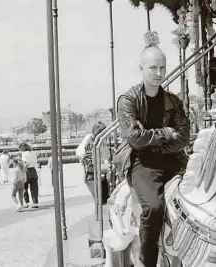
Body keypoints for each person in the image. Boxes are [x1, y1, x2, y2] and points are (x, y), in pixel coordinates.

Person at [116, 31, 189, 267]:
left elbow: (184, 137)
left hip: (173, 158)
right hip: (142, 163)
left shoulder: (173, 101)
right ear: (142, 68)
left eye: (162, 68)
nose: (159, 74)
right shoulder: (128, 101)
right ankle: (148, 261)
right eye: (153, 68)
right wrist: (166, 133)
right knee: (154, 207)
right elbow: (135, 139)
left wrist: (156, 138)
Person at [76, 121, 111, 204]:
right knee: (99, 201)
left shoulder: (101, 141)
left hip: (98, 168)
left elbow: (106, 155)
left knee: (104, 200)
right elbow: (83, 154)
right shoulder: (89, 139)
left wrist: (107, 163)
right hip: (91, 170)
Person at [20, 143, 39, 208]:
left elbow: (26, 163)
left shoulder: (24, 154)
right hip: (33, 170)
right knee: (34, 188)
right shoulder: (33, 152)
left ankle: (26, 202)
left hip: (27, 171)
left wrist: (23, 172)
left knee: (24, 187)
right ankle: (35, 203)